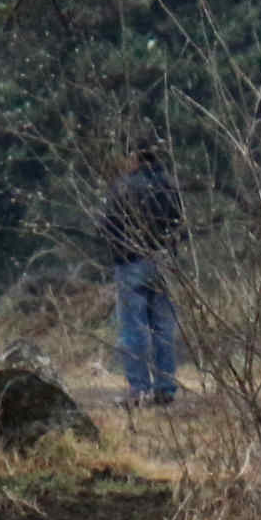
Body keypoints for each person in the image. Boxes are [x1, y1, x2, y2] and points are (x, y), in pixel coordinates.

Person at [102, 138, 185, 408]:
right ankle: (166, 388)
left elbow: (108, 226)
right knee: (163, 326)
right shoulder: (169, 185)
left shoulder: (124, 187)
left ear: (136, 157)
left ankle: (139, 389)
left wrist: (118, 254)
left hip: (131, 263)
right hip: (163, 261)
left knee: (133, 327)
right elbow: (179, 224)